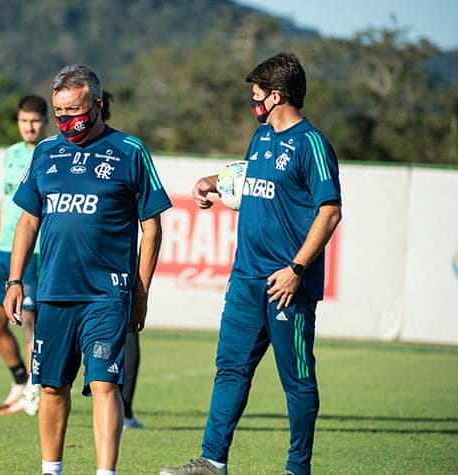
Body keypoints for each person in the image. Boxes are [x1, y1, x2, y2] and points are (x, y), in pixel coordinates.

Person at [160, 53, 342, 475]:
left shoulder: (312, 145)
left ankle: (298, 468)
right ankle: (212, 461)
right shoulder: (261, 138)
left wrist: (296, 270)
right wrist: (211, 183)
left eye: (257, 95)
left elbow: (329, 212)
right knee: (230, 368)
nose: (253, 102)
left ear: (275, 96)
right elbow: (246, 182)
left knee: (296, 380)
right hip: (245, 280)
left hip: (286, 285)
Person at [4, 64, 171, 475]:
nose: (66, 121)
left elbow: (152, 227)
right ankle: (51, 470)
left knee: (104, 384)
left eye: (74, 111)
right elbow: (28, 221)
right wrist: (14, 280)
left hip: (106, 294)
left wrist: (141, 291)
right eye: (59, 113)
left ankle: (104, 473)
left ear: (97, 105)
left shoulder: (130, 151)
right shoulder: (45, 152)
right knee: (51, 386)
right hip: (55, 292)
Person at [0, 94, 47, 415]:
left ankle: (34, 391)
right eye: (24, 121)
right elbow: (4, 199)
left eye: (35, 121)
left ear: (45, 122)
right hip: (4, 250)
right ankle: (20, 380)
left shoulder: (51, 154)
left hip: (35, 252)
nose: (30, 127)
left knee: (29, 323)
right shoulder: (10, 154)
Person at [101, 90, 145, 431]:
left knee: (127, 335)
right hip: (70, 271)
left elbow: (151, 223)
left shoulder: (128, 152)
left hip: (116, 271)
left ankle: (124, 410)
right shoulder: (55, 151)